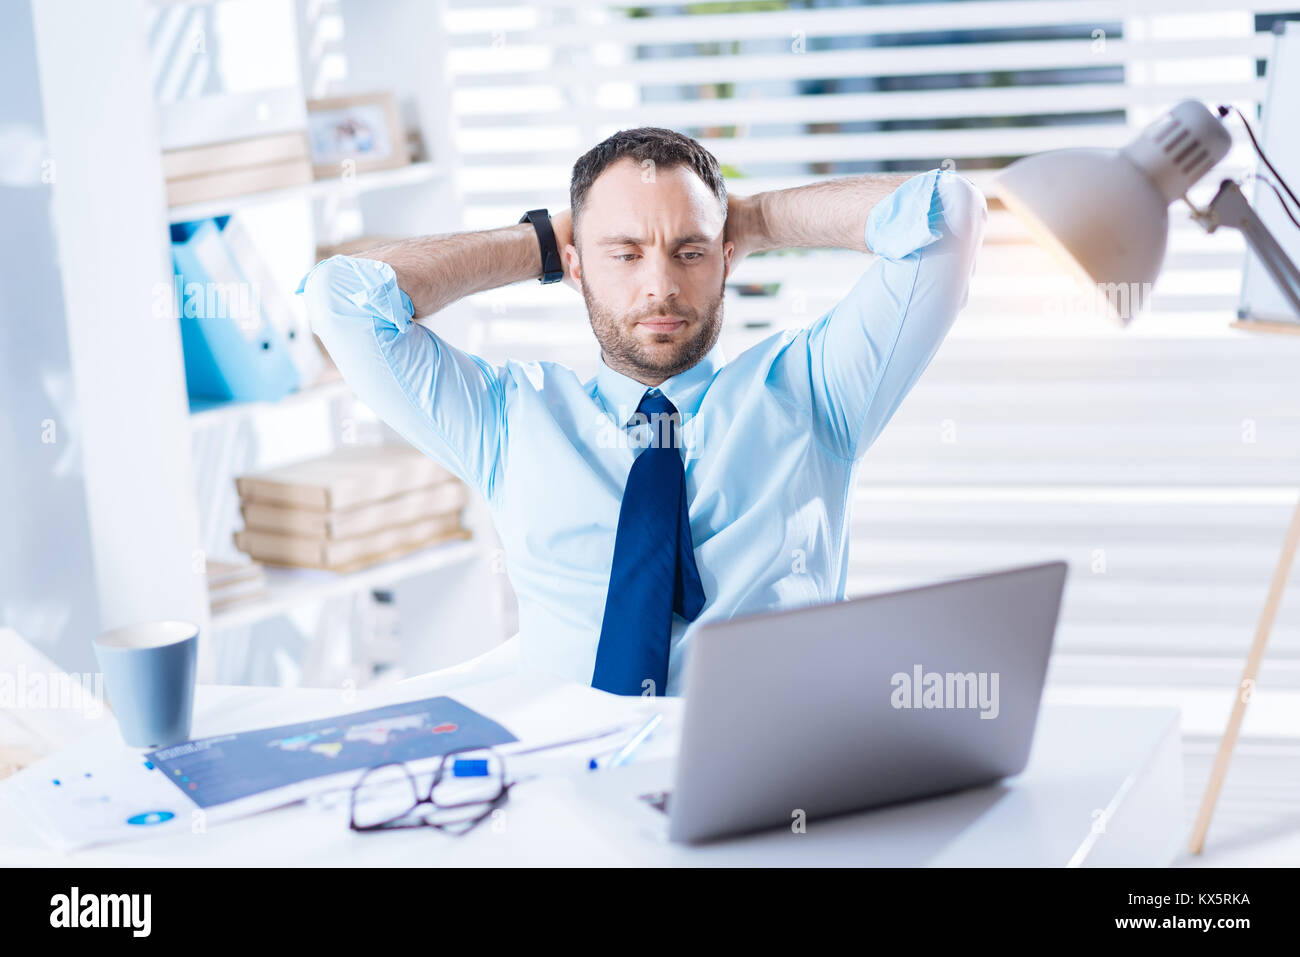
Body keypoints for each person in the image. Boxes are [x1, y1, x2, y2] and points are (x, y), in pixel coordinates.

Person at [298, 127, 987, 696]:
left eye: (689, 252)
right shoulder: (507, 419)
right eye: (624, 253)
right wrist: (543, 241)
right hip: (573, 798)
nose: (660, 285)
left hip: (777, 790)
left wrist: (755, 219)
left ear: (725, 260)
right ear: (575, 268)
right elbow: (342, 301)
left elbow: (949, 216)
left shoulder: (813, 390)